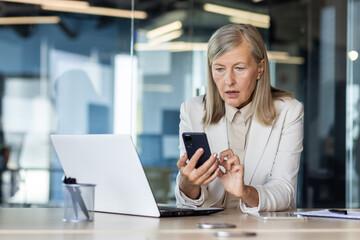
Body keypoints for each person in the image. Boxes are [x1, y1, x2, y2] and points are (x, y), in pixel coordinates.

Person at [175, 24, 304, 212]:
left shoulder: (288, 112)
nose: (229, 81)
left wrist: (244, 191)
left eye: (239, 68)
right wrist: (188, 183)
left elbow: (284, 192)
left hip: (265, 231)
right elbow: (187, 201)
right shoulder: (192, 111)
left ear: (260, 69)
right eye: (219, 69)